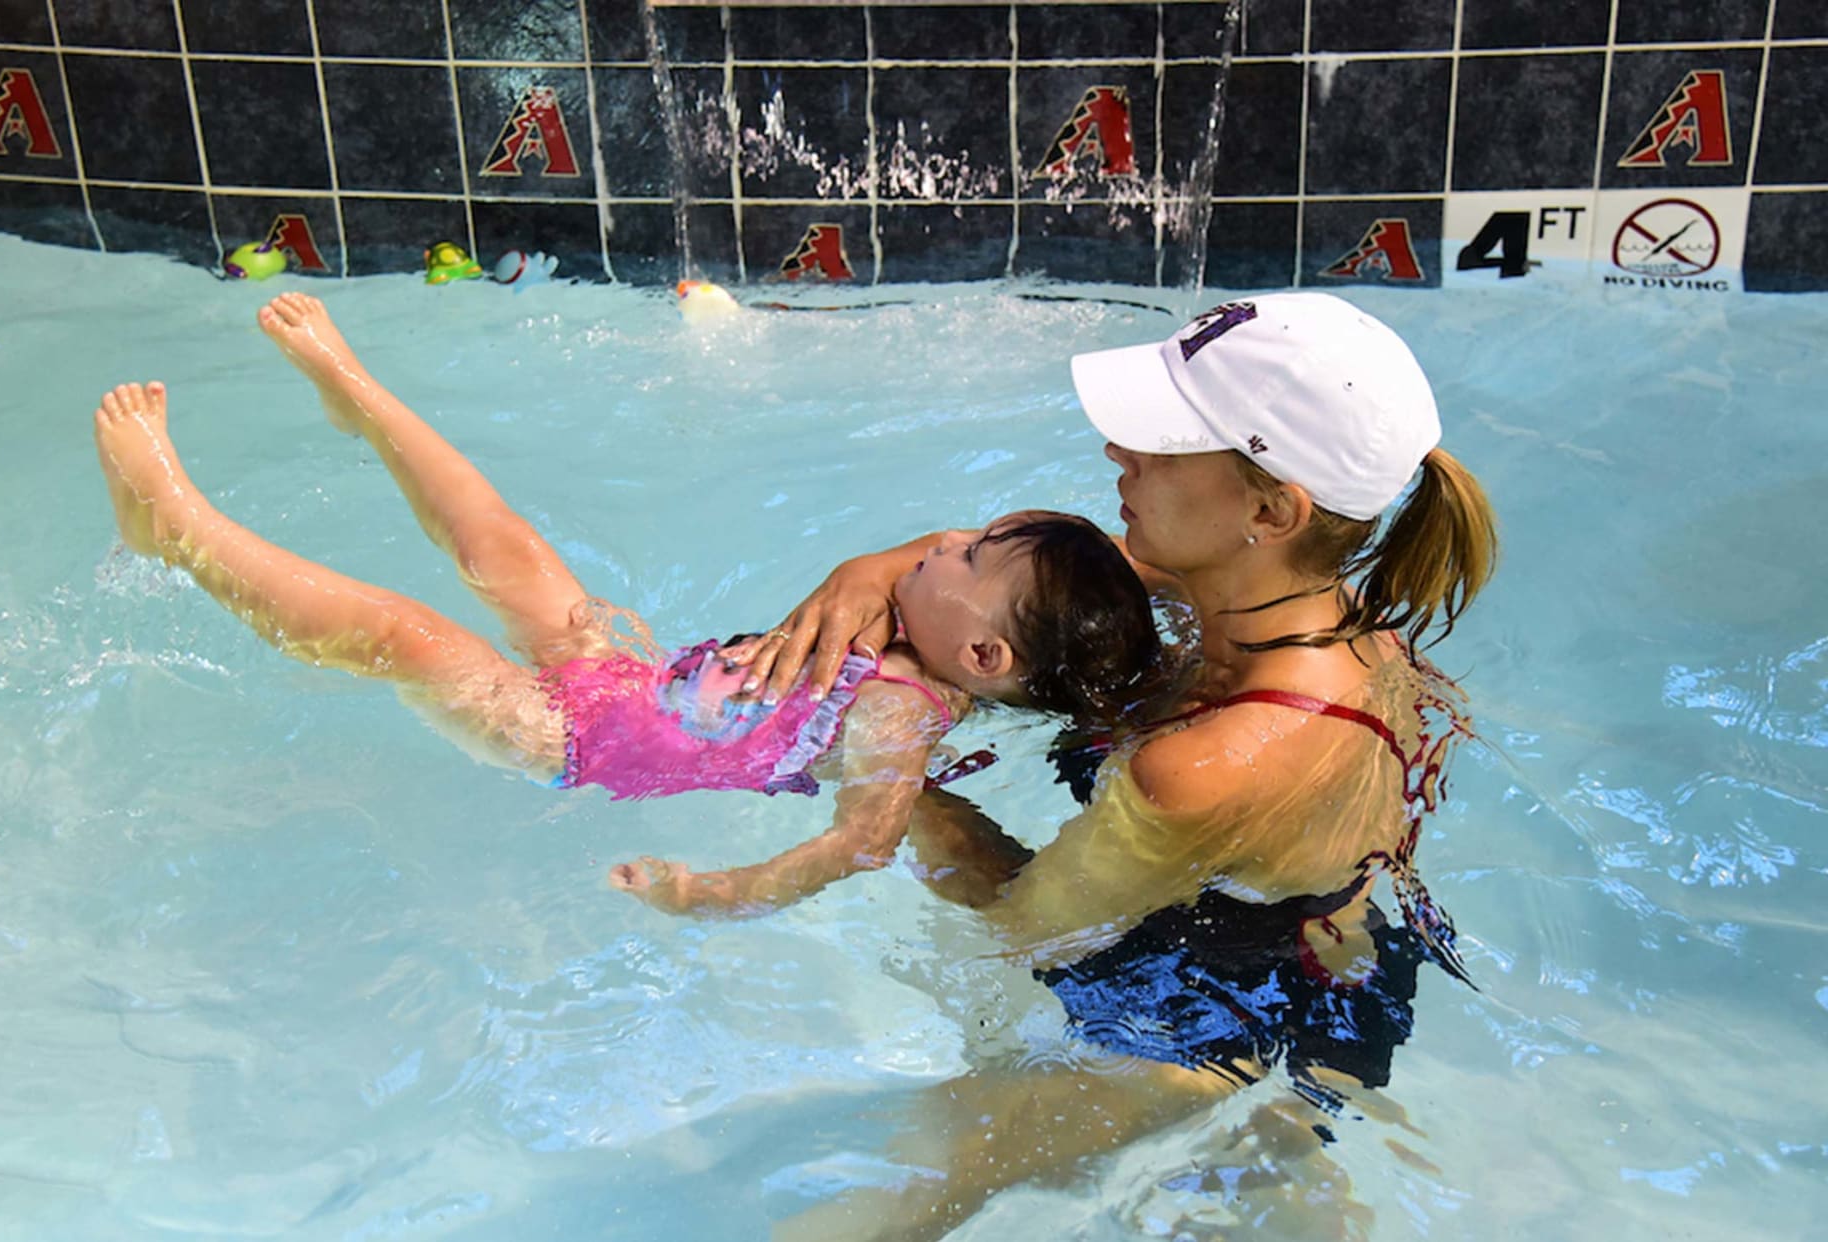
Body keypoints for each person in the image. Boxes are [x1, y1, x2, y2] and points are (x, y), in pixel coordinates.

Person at [730, 293, 1498, 1238]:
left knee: (879, 1187)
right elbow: (992, 573)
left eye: (1163, 446)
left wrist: (890, 760)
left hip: (1226, 1020)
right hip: (1315, 938)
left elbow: (1023, 928)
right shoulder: (1265, 594)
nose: (1117, 453)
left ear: (1270, 509)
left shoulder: (1208, 765)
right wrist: (870, 570)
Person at [91, 293, 1159, 917]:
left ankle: (175, 528)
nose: (940, 542)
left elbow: (859, 844)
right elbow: (933, 578)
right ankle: (354, 394)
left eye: (967, 554)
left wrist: (705, 894)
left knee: (400, 635)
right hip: (626, 681)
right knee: (503, 542)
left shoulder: (900, 716)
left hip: (571, 739)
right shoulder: (911, 628)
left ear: (983, 654)